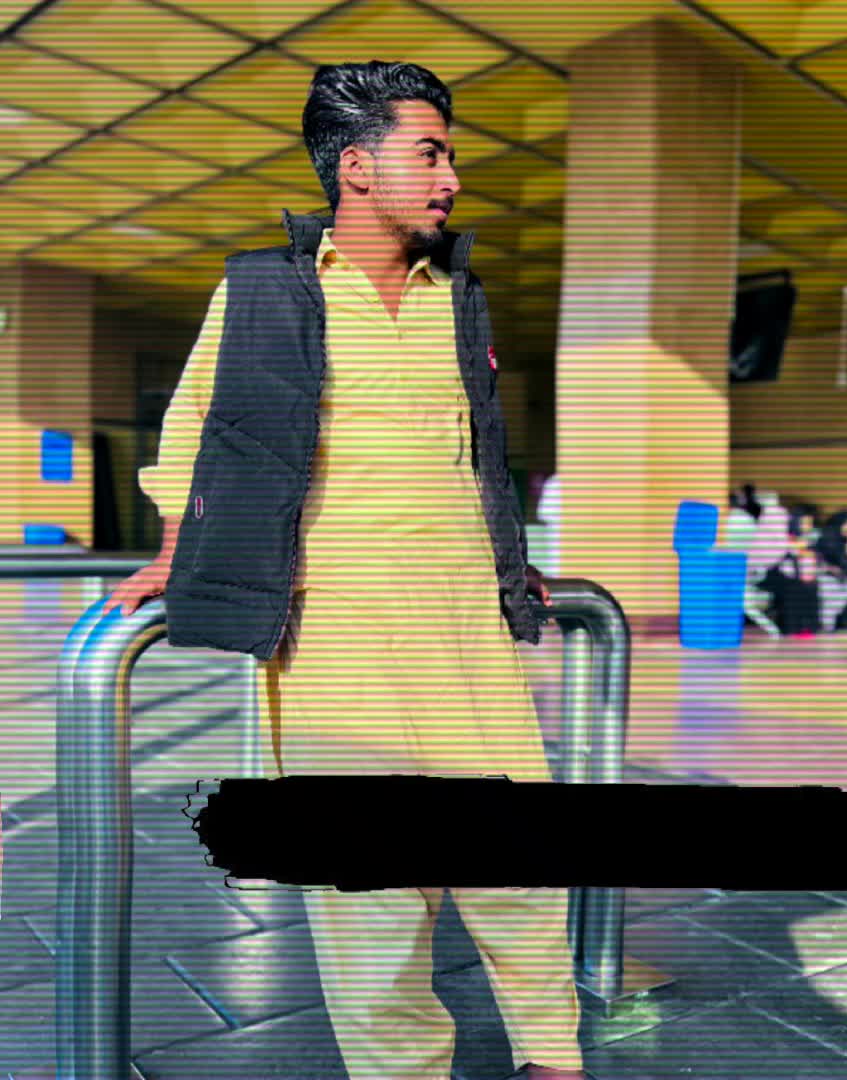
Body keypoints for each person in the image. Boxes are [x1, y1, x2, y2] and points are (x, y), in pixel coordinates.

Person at [102, 62, 584, 1080]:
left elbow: (472, 444)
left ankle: (552, 1056)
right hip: (330, 629)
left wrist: (509, 554)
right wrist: (177, 548)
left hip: (464, 618)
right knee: (369, 894)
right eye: (431, 153)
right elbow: (194, 425)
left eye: (450, 155)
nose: (452, 177)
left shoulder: (460, 293)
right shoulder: (263, 289)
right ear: (357, 167)